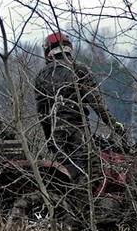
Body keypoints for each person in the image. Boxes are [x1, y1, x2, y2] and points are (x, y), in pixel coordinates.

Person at [34, 31, 125, 181]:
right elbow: (96, 103)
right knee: (91, 173)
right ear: (69, 48)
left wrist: (49, 140)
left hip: (57, 136)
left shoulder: (41, 76)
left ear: (48, 51)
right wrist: (114, 125)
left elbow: (42, 113)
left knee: (64, 177)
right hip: (78, 131)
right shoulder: (78, 69)